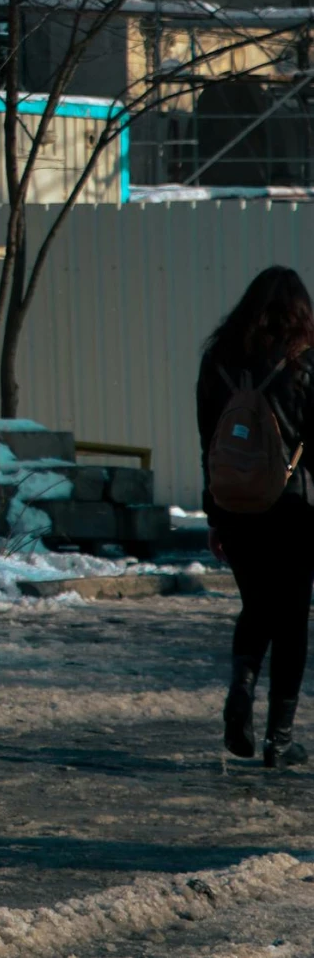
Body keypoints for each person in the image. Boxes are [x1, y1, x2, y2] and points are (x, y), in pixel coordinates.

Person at [197, 265, 314, 767]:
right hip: (293, 507)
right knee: (290, 620)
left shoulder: (217, 360)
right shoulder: (303, 363)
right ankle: (279, 740)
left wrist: (215, 517)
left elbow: (209, 444)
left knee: (257, 607)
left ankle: (241, 689)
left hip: (235, 507)